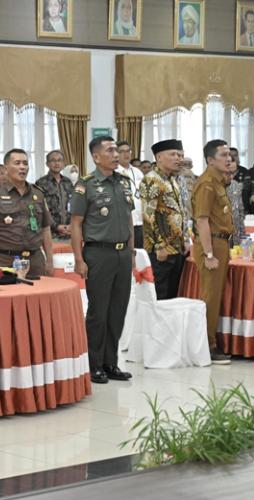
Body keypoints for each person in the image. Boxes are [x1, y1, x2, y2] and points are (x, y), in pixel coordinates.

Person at [70, 135, 135, 384]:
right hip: (98, 253)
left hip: (122, 255)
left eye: (117, 149)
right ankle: (94, 364)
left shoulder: (124, 182)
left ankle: (111, 362)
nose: (116, 154)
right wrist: (79, 258)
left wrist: (131, 252)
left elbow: (128, 219)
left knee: (118, 310)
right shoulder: (85, 185)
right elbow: (76, 225)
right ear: (96, 157)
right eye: (110, 150)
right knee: (99, 311)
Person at [0, 149, 54, 278]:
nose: (22, 167)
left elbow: (45, 229)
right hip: (4, 261)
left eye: (25, 163)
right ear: (6, 167)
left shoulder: (38, 194)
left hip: (35, 261)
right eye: (17, 163)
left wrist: (50, 260)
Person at [192, 140, 234, 365]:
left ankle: (212, 341)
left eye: (230, 155)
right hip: (212, 244)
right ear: (210, 160)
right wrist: (209, 254)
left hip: (221, 243)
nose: (229, 159)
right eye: (223, 155)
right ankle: (208, 346)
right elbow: (202, 220)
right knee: (210, 296)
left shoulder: (219, 182)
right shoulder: (207, 184)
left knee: (216, 296)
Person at [139, 139, 187, 300]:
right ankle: (155, 326)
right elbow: (148, 216)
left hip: (177, 248)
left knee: (173, 294)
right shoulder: (152, 179)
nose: (178, 158)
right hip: (162, 250)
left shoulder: (173, 180)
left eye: (180, 155)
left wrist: (185, 239)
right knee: (160, 295)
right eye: (173, 154)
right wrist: (158, 246)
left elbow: (180, 211)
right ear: (159, 158)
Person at [35, 150, 74, 240]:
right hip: (50, 233)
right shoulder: (41, 183)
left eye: (59, 160)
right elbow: (40, 209)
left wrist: (71, 226)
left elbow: (73, 205)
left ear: (63, 163)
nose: (56, 163)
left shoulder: (68, 182)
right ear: (47, 164)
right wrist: (56, 226)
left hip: (69, 232)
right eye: (53, 160)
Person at [116, 141, 146, 249]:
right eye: (122, 151)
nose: (126, 154)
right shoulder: (114, 172)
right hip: (124, 223)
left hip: (140, 222)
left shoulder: (137, 172)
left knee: (140, 254)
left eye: (128, 151)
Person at [225, 155, 246, 246]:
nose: (232, 176)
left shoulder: (236, 185)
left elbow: (240, 211)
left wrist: (243, 235)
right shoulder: (213, 187)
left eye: (233, 172)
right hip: (221, 238)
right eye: (229, 172)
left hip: (236, 237)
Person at [229, 147, 251, 216]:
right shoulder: (223, 173)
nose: (233, 158)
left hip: (244, 208)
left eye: (235, 155)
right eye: (230, 155)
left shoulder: (246, 172)